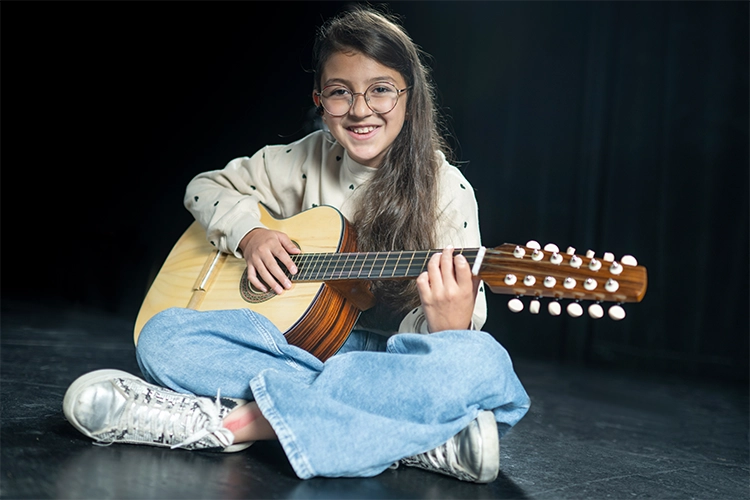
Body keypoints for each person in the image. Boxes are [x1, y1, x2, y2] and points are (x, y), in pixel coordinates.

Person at [62, 5, 530, 483]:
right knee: (162, 336)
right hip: (281, 346)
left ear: (411, 99)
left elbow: (450, 349)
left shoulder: (445, 190)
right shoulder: (305, 158)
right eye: (340, 93)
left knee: (486, 365)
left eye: (382, 91)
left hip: (377, 357)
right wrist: (251, 234)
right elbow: (204, 187)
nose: (361, 109)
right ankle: (409, 433)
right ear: (320, 100)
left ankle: (233, 423)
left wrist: (447, 327)